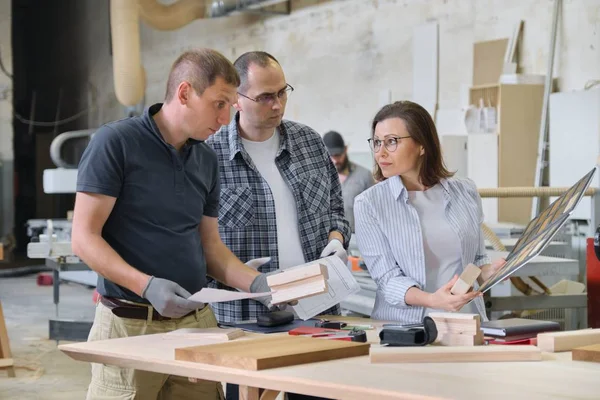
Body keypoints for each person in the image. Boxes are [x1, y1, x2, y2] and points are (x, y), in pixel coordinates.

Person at [72, 48, 285, 400]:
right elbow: (83, 238)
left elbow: (210, 247)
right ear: (185, 93)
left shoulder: (205, 158)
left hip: (197, 324)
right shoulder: (116, 144)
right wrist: (147, 286)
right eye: (218, 104)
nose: (224, 118)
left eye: (229, 106)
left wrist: (259, 285)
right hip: (130, 325)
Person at [205, 51, 350, 400]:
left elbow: (334, 207)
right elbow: (199, 241)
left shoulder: (310, 143)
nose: (277, 104)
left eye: (282, 92)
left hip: (316, 309)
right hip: (246, 316)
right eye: (265, 97)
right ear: (238, 99)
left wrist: (336, 238)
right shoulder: (209, 156)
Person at [354, 101, 506, 323]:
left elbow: (476, 262)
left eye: (392, 142)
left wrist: (489, 272)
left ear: (422, 145)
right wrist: (434, 300)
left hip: (465, 324)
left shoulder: (465, 192)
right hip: (407, 329)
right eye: (377, 143)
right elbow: (387, 280)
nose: (381, 153)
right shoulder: (369, 204)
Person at [323, 130, 374, 232]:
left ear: (345, 150)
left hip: (358, 238)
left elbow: (375, 210)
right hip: (329, 240)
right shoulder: (319, 178)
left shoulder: (364, 175)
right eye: (331, 156)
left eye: (338, 155)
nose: (335, 161)